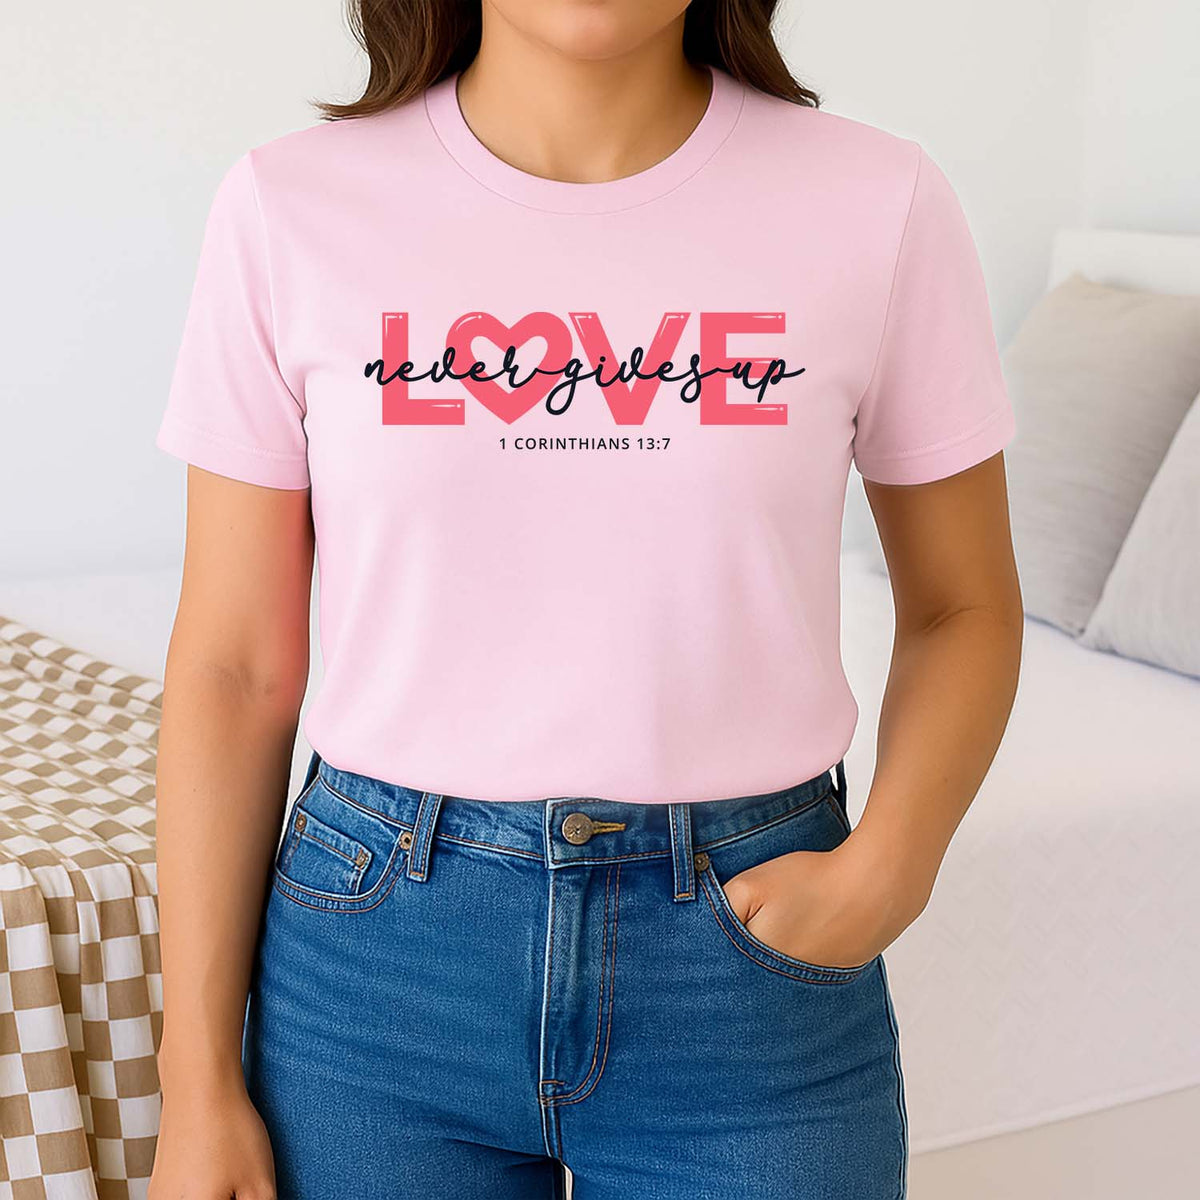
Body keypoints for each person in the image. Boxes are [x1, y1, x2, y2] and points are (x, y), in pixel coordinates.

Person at [148, 1, 1023, 1197]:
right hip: (375, 976)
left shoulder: (878, 203)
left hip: (751, 979)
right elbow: (234, 667)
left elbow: (962, 604)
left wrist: (891, 869)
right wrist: (194, 1077)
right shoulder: (289, 206)